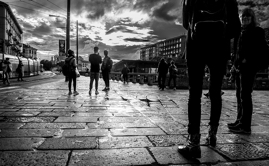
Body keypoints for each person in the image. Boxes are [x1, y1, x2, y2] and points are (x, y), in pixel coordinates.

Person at [178, 0, 241, 158]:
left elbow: (186, 23)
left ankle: (194, 142)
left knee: (195, 94)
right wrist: (220, 34)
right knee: (215, 92)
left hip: (196, 46)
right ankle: (212, 134)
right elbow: (235, 26)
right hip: (219, 48)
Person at [227, 8, 268, 134]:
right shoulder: (240, 32)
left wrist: (248, 60)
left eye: (247, 17)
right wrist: (235, 65)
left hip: (249, 68)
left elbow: (260, 50)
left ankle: (246, 126)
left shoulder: (257, 31)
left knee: (245, 96)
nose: (245, 19)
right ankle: (240, 120)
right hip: (239, 69)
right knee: (240, 96)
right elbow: (237, 51)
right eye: (243, 17)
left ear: (252, 18)